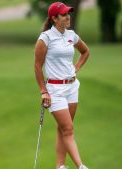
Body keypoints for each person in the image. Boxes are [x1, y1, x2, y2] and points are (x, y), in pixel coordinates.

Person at [34, 2, 90, 169]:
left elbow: (85, 51)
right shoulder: (45, 39)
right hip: (55, 90)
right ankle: (81, 166)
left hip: (72, 88)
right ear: (54, 18)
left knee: (63, 130)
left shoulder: (71, 35)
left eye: (68, 14)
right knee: (68, 129)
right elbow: (37, 66)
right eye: (64, 15)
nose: (68, 17)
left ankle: (60, 166)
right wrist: (43, 91)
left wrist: (76, 68)